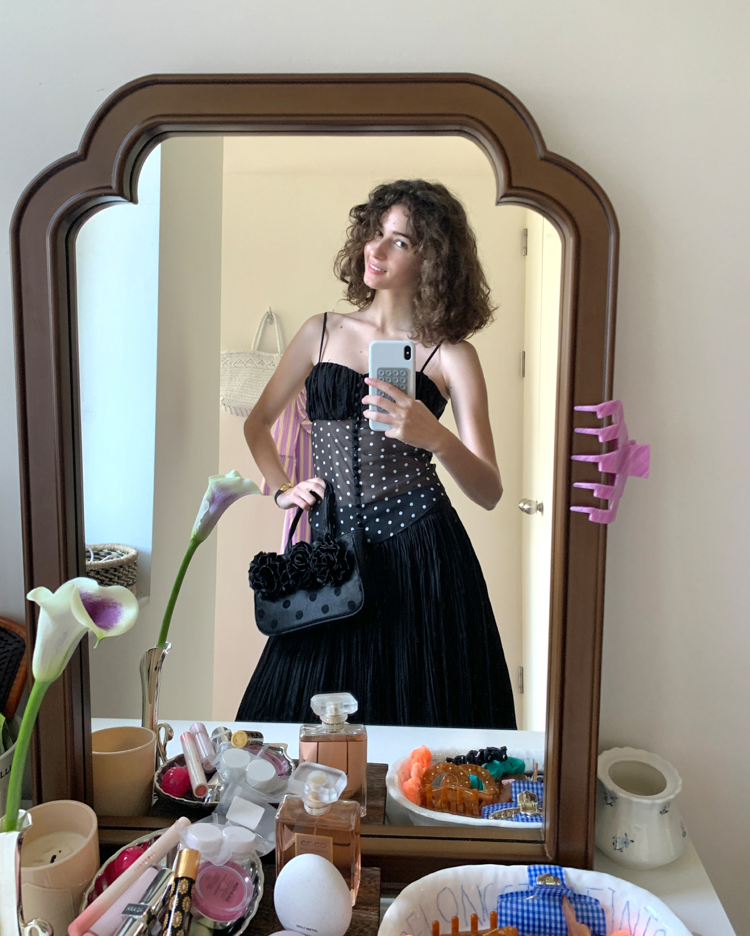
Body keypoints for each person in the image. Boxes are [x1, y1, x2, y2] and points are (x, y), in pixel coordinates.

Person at [237, 179, 516, 729]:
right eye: (376, 233)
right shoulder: (320, 332)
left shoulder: (452, 356)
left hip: (423, 552)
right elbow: (258, 424)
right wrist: (283, 489)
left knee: (424, 713)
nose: (377, 248)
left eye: (400, 241)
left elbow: (489, 490)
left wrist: (436, 437)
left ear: (432, 259)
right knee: (290, 716)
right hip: (331, 551)